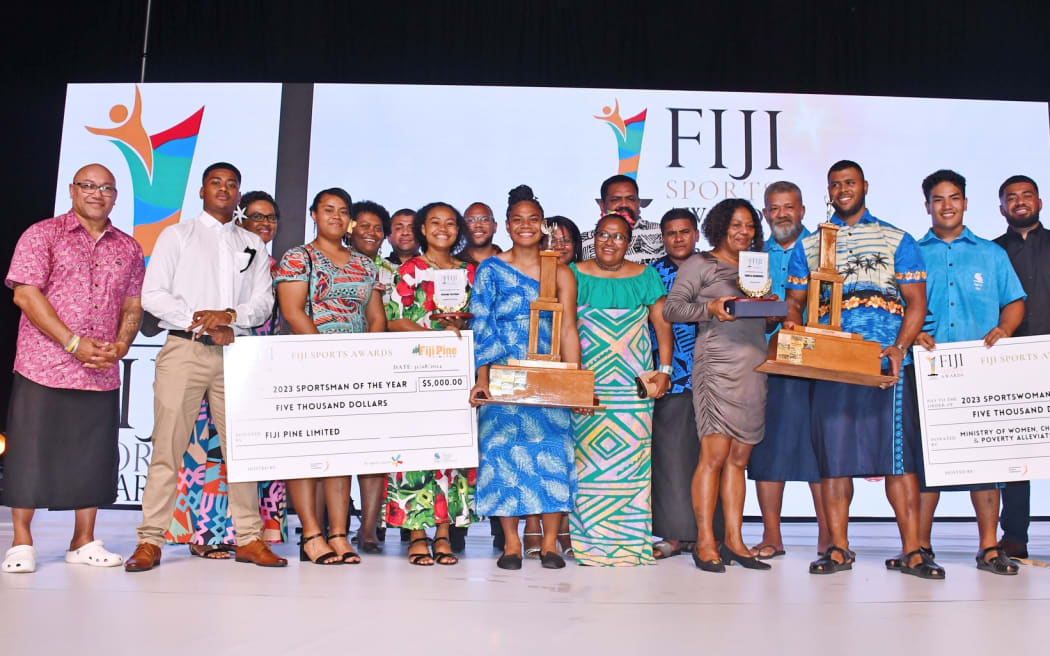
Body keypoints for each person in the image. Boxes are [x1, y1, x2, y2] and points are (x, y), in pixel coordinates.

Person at [126, 162, 286, 571]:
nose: (224, 189)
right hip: (185, 349)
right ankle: (150, 541)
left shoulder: (252, 242)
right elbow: (154, 293)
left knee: (242, 450)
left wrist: (229, 316)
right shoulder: (177, 235)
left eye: (232, 184)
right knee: (168, 447)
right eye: (216, 182)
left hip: (234, 354)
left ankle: (249, 539)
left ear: (238, 194)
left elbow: (264, 302)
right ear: (201, 191)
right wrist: (199, 317)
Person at [784, 160, 937, 578]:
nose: (842, 189)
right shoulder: (810, 244)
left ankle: (913, 550)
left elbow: (916, 303)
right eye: (835, 184)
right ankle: (838, 548)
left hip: (883, 363)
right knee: (834, 459)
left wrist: (899, 347)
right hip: (830, 362)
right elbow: (795, 301)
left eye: (849, 182)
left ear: (864, 186)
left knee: (896, 459)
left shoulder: (896, 238)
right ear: (828, 191)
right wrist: (792, 326)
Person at [2, 164, 144, 573]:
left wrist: (121, 344)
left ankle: (83, 540)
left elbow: (132, 304)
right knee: (31, 449)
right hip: (44, 363)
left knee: (92, 454)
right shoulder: (42, 234)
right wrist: (72, 343)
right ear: (72, 190)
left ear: (115, 196)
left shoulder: (129, 248)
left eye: (106, 188)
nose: (97, 194)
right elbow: (26, 296)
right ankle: (22, 542)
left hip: (100, 366)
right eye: (88, 186)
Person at [907, 169, 1025, 575]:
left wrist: (1005, 329)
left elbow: (1014, 302)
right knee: (927, 466)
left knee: (985, 465)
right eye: (938, 199)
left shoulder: (991, 254)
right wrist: (914, 333)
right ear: (927, 206)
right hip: (929, 371)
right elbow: (899, 307)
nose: (947, 205)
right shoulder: (912, 252)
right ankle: (920, 545)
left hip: (981, 371)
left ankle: (989, 547)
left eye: (954, 197)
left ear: (965, 202)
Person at [166, 191, 287, 558]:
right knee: (209, 448)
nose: (264, 223)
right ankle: (208, 534)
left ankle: (254, 534)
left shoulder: (282, 266)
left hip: (261, 367)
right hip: (218, 354)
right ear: (240, 220)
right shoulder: (226, 260)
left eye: (271, 218)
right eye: (255, 216)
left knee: (252, 451)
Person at [469, 185, 583, 570]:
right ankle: (512, 545)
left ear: (543, 224)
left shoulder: (561, 271)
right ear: (506, 225)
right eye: (518, 220)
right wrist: (482, 378)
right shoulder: (491, 269)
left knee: (552, 453)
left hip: (548, 375)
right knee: (501, 455)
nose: (525, 226)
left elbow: (568, 329)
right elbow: (482, 324)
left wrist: (576, 382)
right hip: (502, 372)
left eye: (533, 219)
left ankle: (550, 544)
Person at [277, 188, 386, 565]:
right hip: (308, 365)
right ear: (313, 214)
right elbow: (292, 311)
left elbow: (376, 317)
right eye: (328, 210)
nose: (336, 217)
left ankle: (339, 533)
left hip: (353, 369)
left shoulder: (364, 264)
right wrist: (328, 356)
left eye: (343, 212)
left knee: (341, 452)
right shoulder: (298, 257)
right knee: (306, 451)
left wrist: (365, 357)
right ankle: (311, 533)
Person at [664, 199, 773, 573]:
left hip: (754, 366)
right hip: (716, 366)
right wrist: (708, 310)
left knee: (739, 460)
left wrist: (772, 310)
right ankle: (705, 542)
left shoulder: (756, 268)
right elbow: (672, 309)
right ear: (720, 226)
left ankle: (735, 541)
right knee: (713, 456)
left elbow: (763, 318)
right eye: (736, 225)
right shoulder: (700, 264)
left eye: (749, 226)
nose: (744, 232)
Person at [569, 213, 673, 566]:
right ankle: (589, 544)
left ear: (628, 242)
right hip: (589, 384)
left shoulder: (645, 275)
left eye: (617, 236)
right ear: (593, 238)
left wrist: (664, 370)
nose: (609, 242)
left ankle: (630, 543)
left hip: (633, 387)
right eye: (603, 235)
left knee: (633, 465)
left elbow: (661, 325)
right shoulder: (572, 274)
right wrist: (571, 379)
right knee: (586, 464)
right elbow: (563, 326)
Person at [385, 202, 477, 566]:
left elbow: (480, 321)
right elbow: (393, 321)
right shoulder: (409, 272)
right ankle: (417, 534)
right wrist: (434, 333)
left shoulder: (472, 273)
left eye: (450, 223)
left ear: (459, 230)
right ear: (423, 229)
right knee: (416, 454)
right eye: (435, 223)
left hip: (458, 375)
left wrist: (462, 327)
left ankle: (444, 533)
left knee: (452, 455)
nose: (443, 229)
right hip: (417, 373)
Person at [746, 181, 830, 559]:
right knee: (768, 453)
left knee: (823, 452)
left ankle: (830, 536)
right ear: (765, 214)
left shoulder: (824, 250)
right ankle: (771, 536)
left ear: (803, 210)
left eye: (789, 207)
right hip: (764, 361)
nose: (782, 214)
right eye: (774, 208)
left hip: (817, 361)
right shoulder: (752, 257)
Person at [648, 208, 721, 560]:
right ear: (663, 238)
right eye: (671, 233)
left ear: (696, 235)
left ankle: (712, 534)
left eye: (685, 231)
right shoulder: (651, 274)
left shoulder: (713, 268)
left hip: (715, 376)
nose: (678, 238)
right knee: (672, 458)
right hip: (670, 378)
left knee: (711, 455)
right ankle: (674, 536)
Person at [993, 174, 1048, 560]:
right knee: (1017, 452)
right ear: (1002, 209)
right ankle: (1014, 535)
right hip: (1011, 361)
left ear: (1040, 202)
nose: (1020, 202)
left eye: (1026, 196)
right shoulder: (992, 252)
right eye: (1011, 198)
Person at [347, 200, 393, 553]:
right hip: (329, 361)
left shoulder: (394, 269)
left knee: (375, 449)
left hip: (381, 365)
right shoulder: (331, 260)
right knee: (331, 447)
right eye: (364, 225)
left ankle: (369, 528)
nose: (372, 233)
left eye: (378, 228)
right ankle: (330, 525)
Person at [580, 175, 663, 262]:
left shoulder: (660, 232)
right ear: (602, 205)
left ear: (638, 203)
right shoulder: (583, 241)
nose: (624, 204)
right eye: (615, 199)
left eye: (630, 199)